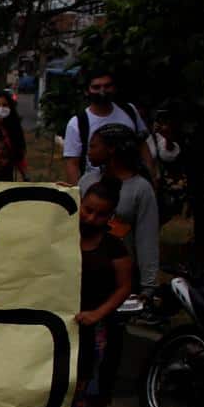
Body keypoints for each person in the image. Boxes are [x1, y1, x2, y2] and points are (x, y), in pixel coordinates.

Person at [19, 180, 132, 407]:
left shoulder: (113, 247)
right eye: (87, 210)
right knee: (44, 385)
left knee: (76, 389)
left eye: (100, 214)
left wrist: (98, 313)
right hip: (51, 326)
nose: (91, 218)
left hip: (88, 330)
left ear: (110, 217)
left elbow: (123, 287)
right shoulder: (60, 236)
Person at [79, 125, 160, 299]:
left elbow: (147, 238)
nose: (88, 152)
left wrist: (148, 285)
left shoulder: (141, 189)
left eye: (93, 146)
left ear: (111, 149)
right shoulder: (86, 182)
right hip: (83, 272)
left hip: (118, 277)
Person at [61, 73, 148, 185]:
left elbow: (144, 147)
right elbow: (72, 164)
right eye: (96, 87)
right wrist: (77, 196)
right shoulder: (78, 123)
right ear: (87, 91)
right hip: (97, 188)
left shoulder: (129, 111)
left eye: (107, 86)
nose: (103, 91)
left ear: (114, 88)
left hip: (132, 182)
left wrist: (152, 179)